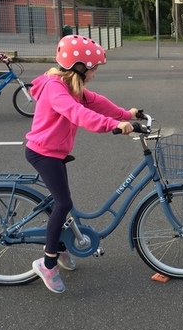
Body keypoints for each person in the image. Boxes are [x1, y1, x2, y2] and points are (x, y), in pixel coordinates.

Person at [26, 35, 141, 293]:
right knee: (63, 203)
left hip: (55, 152)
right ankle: (48, 264)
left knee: (64, 202)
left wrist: (126, 115)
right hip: (43, 153)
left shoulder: (71, 85)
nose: (94, 74)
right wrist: (114, 125)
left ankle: (62, 247)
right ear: (79, 68)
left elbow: (96, 102)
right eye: (93, 69)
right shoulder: (56, 89)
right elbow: (79, 114)